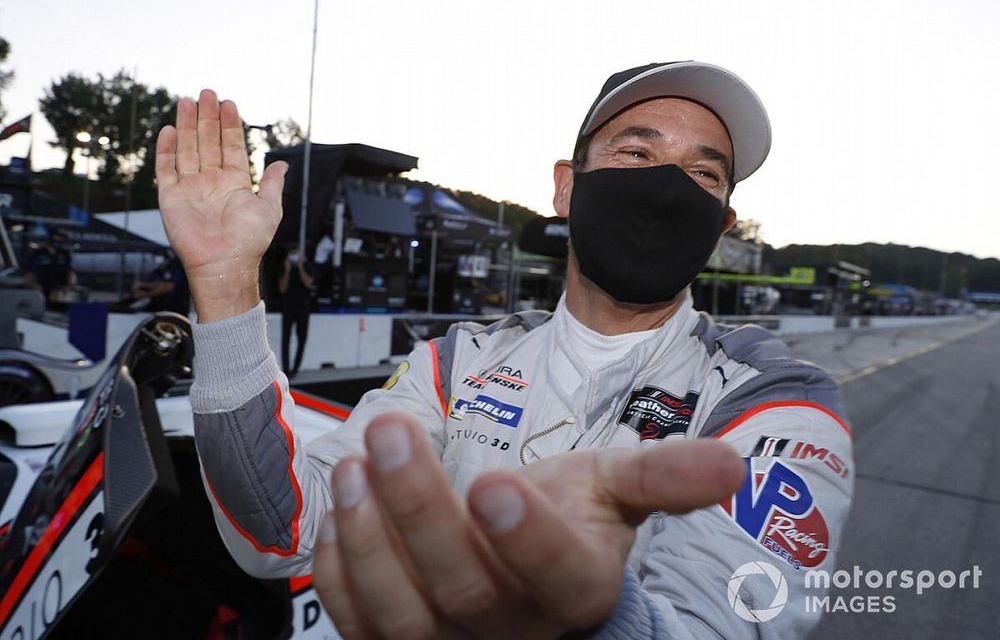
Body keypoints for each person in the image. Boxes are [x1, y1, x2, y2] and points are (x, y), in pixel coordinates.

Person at [157, 62, 853, 639]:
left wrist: (592, 615)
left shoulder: (775, 401)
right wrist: (223, 289)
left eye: (703, 175)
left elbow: (721, 621)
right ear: (565, 185)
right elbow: (281, 531)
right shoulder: (457, 363)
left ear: (723, 223)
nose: (667, 189)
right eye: (637, 153)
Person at [278, 244, 314, 377]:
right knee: (286, 338)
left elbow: (308, 283)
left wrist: (300, 267)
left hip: (303, 307)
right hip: (288, 306)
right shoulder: (284, 268)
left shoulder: (307, 266)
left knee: (302, 338)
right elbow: (282, 288)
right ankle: (286, 369)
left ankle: (296, 368)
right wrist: (287, 270)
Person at [24, 229, 76, 304]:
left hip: (61, 291)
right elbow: (29, 273)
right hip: (43, 291)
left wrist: (71, 285)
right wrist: (35, 286)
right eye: (57, 237)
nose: (59, 240)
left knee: (62, 312)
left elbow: (71, 272)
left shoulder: (65, 254)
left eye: (61, 238)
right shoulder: (37, 254)